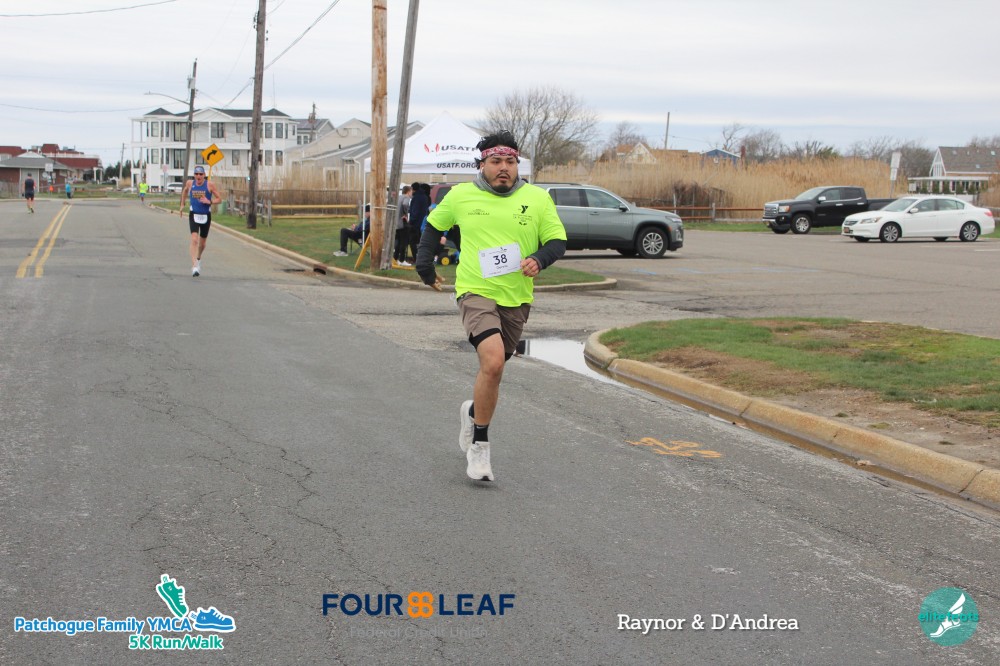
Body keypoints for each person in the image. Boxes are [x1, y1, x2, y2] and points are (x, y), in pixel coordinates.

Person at [415, 130, 567, 482]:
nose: (503, 168)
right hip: (475, 290)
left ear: (517, 165)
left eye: (510, 161)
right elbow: (432, 227)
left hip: (516, 296)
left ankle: (473, 413)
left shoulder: (537, 198)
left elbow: (557, 241)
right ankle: (480, 446)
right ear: (482, 165)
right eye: (496, 161)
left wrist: (539, 259)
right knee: (494, 361)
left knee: (493, 370)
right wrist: (425, 265)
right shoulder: (461, 195)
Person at [178, 166, 221, 277]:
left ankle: (198, 258)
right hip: (194, 214)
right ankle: (194, 266)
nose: (198, 176)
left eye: (201, 174)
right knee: (194, 239)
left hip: (206, 215)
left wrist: (209, 201)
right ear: (194, 175)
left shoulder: (210, 185)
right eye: (196, 174)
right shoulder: (189, 183)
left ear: (204, 175)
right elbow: (185, 191)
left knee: (202, 244)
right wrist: (182, 204)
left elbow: (219, 199)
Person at [406, 182, 431, 264]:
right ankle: (423, 258)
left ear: (413, 189)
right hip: (423, 223)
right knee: (421, 242)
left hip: (415, 224)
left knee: (412, 242)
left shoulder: (416, 198)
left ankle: (416, 258)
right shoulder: (425, 197)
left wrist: (411, 221)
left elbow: (415, 211)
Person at [393, 185, 412, 266]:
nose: (411, 193)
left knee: (398, 242)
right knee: (404, 242)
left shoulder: (398, 198)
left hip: (396, 223)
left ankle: (395, 259)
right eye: (411, 192)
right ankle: (402, 260)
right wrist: (405, 213)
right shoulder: (406, 197)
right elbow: (405, 204)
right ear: (408, 192)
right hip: (403, 223)